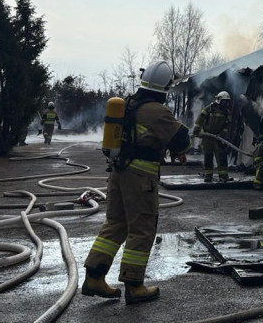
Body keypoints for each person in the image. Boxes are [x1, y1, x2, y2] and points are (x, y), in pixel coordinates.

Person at [80, 60, 190, 305]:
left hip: (119, 173)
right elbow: (183, 141)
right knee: (142, 227)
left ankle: (94, 277)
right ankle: (134, 284)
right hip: (140, 179)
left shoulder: (129, 103)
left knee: (115, 224)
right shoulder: (157, 111)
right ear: (165, 86)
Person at [191, 91, 233, 182]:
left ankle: (223, 175)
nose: (226, 103)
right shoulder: (209, 109)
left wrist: (223, 134)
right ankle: (208, 175)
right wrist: (196, 131)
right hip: (208, 137)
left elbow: (228, 125)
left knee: (222, 156)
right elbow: (200, 120)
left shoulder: (226, 112)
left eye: (227, 101)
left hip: (219, 137)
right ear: (219, 100)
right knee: (208, 156)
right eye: (224, 101)